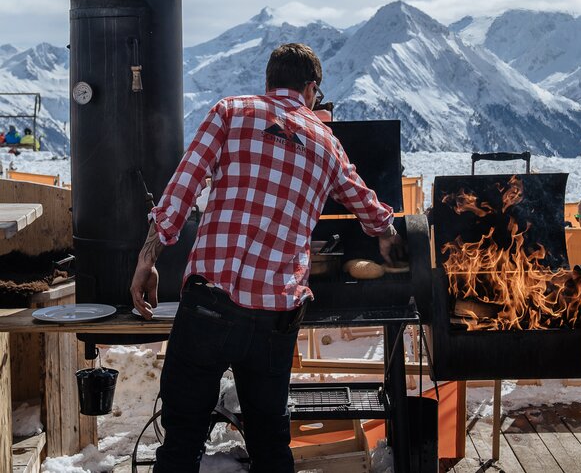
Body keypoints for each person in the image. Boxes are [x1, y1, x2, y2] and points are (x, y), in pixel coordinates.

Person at [130, 43, 404, 473]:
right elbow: (366, 204)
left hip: (210, 305)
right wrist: (388, 235)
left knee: (181, 441)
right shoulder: (327, 143)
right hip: (275, 315)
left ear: (268, 81)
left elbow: (183, 186)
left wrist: (148, 257)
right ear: (311, 89)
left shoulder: (230, 111)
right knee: (270, 443)